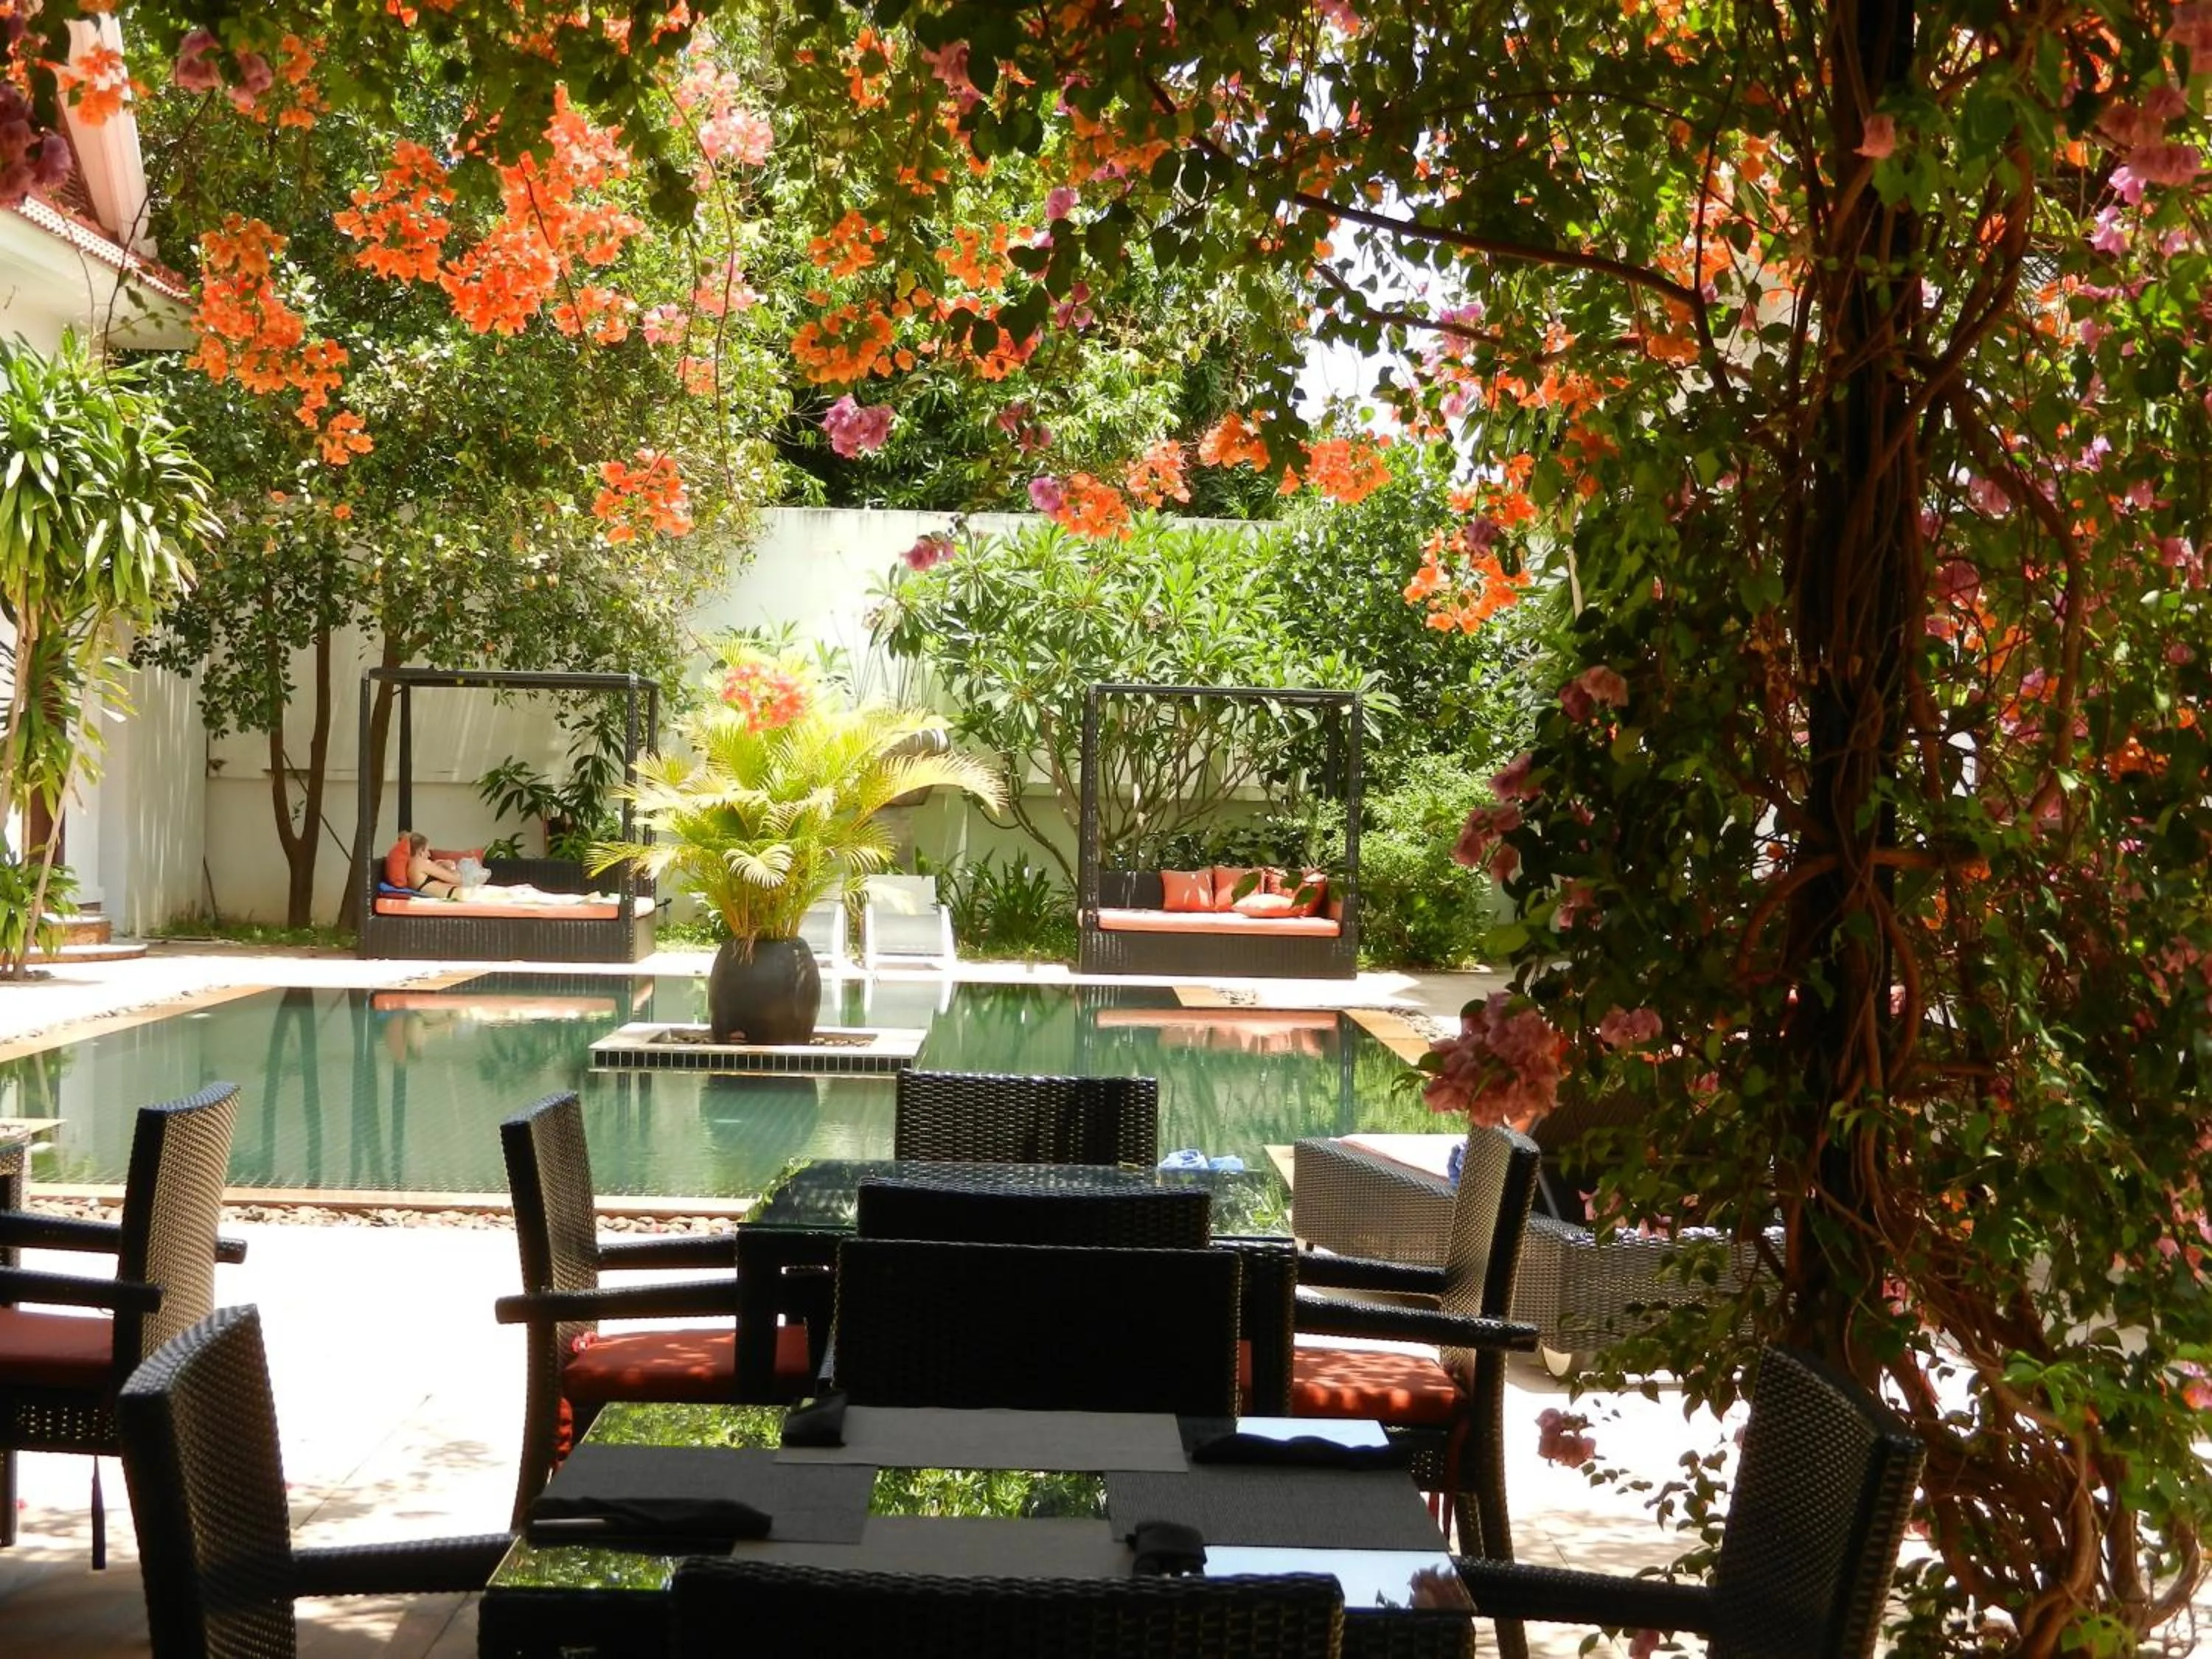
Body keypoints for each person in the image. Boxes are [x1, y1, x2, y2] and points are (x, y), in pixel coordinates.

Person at [406, 832, 469, 899]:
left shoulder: (411, 866)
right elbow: (458, 880)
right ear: (421, 852)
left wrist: (437, 866)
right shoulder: (421, 863)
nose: (429, 855)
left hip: (456, 894)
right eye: (427, 850)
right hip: (459, 895)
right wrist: (450, 867)